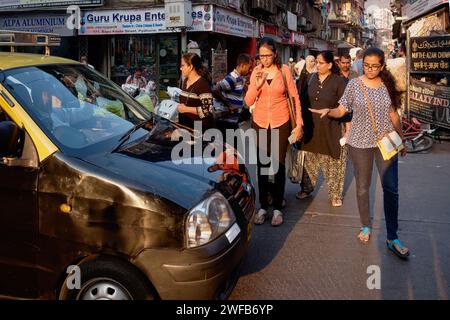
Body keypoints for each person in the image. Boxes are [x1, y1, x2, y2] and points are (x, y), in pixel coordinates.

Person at [310, 47, 409, 259]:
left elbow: (393, 114)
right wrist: (331, 112)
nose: (370, 69)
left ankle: (392, 236)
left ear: (382, 66)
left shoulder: (387, 85)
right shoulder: (354, 84)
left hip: (385, 142)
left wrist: (402, 138)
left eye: (375, 66)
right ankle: (366, 225)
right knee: (363, 188)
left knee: (391, 188)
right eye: (366, 65)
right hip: (360, 143)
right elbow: (343, 109)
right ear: (362, 64)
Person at [245, 37, 303, 227]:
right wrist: (258, 85)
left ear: (275, 54)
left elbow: (295, 98)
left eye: (268, 55)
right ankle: (263, 206)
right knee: (262, 166)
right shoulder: (256, 72)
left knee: (277, 165)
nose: (264, 59)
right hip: (260, 122)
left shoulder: (284, 71)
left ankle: (277, 207)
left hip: (281, 121)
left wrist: (299, 124)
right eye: (261, 56)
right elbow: (248, 101)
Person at [297, 51, 347, 207]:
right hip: (311, 127)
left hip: (331, 127)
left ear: (330, 65)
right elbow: (301, 101)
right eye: (316, 62)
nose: (316, 65)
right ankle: (306, 188)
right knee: (309, 160)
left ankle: (335, 194)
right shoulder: (310, 78)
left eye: (320, 63)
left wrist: (348, 130)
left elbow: (345, 107)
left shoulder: (339, 82)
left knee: (333, 161)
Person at [177, 52, 214, 131]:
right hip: (186, 126)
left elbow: (208, 110)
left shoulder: (202, 84)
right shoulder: (185, 81)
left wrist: (186, 109)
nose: (180, 68)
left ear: (191, 67)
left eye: (183, 65)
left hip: (199, 128)